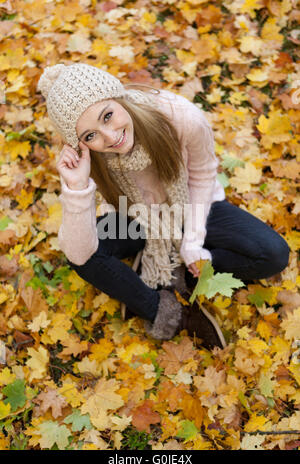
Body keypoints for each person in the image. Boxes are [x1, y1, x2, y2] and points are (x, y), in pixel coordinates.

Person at [37, 63, 290, 350]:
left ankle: (182, 268)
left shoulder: (180, 116)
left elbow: (203, 173)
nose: (109, 137)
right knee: (80, 254)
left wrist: (193, 243)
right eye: (90, 136)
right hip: (133, 216)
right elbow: (80, 252)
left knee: (273, 253)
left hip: (191, 204)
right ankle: (165, 310)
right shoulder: (88, 159)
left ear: (118, 97)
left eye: (107, 116)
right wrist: (77, 186)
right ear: (79, 143)